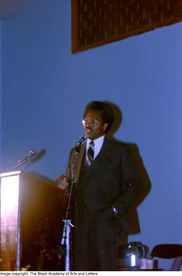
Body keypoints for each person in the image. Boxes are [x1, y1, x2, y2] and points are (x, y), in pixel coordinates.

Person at [56, 101, 142, 271]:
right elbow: (72, 189)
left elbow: (136, 185)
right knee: (82, 269)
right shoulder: (76, 152)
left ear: (105, 126)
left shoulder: (120, 151)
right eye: (85, 121)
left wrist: (115, 210)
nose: (88, 125)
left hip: (107, 223)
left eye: (93, 121)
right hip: (80, 224)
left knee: (104, 269)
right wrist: (64, 186)